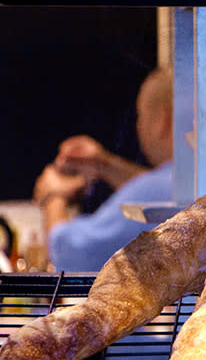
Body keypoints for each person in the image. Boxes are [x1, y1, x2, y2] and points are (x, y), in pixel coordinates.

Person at [33, 68, 174, 272]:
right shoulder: (200, 176)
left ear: (163, 120)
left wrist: (52, 197)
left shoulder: (164, 186)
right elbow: (158, 187)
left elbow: (73, 254)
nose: (139, 126)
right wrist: (103, 165)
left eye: (140, 116)